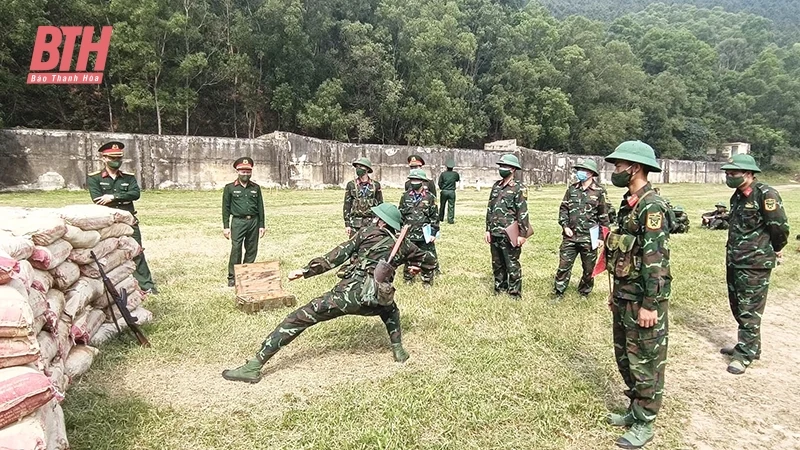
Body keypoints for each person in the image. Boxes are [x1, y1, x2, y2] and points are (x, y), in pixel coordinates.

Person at [221, 203, 436, 384]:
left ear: (380, 221)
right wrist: (415, 267)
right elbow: (430, 261)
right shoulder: (404, 245)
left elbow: (335, 257)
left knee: (298, 318)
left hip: (347, 296)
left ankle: (254, 365)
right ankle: (398, 350)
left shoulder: (366, 233)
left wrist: (305, 272)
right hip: (378, 298)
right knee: (391, 312)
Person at [603, 140, 671, 449]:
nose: (614, 170)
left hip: (643, 299)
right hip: (624, 295)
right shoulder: (627, 202)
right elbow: (622, 254)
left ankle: (645, 421)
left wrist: (650, 305)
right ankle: (635, 408)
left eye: (619, 165)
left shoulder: (651, 206)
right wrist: (616, 293)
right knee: (625, 355)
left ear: (636, 167)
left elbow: (655, 260)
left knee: (645, 360)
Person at [718, 154, 789, 375]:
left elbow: (779, 226)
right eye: (727, 173)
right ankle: (750, 345)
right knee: (738, 306)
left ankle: (745, 354)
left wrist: (776, 248)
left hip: (755, 263)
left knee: (750, 310)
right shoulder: (737, 197)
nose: (729, 177)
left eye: (734, 173)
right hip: (736, 260)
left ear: (749, 173)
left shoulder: (766, 194)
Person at [87, 141, 158, 294]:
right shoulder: (94, 178)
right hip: (107, 222)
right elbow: (97, 198)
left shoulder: (129, 177)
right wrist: (123, 198)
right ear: (104, 158)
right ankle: (114, 286)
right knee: (107, 253)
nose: (116, 161)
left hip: (128, 220)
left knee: (136, 251)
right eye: (112, 158)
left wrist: (113, 197)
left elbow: (135, 194)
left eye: (119, 158)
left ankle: (147, 285)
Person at [552, 159, 610, 298]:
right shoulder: (572, 189)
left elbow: (604, 216)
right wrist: (565, 226)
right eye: (579, 170)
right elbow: (564, 209)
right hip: (570, 236)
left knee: (588, 269)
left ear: (590, 173)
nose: (579, 173)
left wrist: (602, 237)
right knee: (564, 266)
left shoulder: (599, 192)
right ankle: (559, 292)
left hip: (590, 237)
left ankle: (584, 292)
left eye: (583, 170)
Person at [485, 154, 531, 299]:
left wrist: (522, 234)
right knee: (497, 263)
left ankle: (514, 292)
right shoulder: (496, 186)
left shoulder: (519, 188)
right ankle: (499, 288)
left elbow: (522, 212)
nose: (501, 169)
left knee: (512, 264)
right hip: (495, 232)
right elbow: (490, 208)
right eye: (500, 166)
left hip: (510, 233)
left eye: (504, 166)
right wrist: (487, 229)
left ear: (512, 169)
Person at [222, 157, 265, 287]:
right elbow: (225, 208)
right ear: (237, 171)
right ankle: (232, 277)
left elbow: (260, 207)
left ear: (250, 172)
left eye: (247, 172)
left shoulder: (256, 188)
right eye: (242, 171)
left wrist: (262, 225)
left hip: (253, 221)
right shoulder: (229, 188)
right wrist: (225, 226)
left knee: (252, 249)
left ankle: (247, 274)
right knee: (236, 249)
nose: (245, 174)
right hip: (238, 222)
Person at [399, 169, 439, 286]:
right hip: (409, 234)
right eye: (412, 180)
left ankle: (427, 280)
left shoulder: (429, 197)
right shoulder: (405, 197)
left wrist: (433, 233)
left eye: (416, 180)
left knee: (426, 257)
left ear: (422, 181)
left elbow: (434, 217)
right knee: (408, 257)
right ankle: (408, 279)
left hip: (424, 234)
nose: (414, 182)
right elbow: (400, 214)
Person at [343, 157, 383, 237]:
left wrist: (379, 221)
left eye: (361, 166)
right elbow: (347, 205)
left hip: (371, 223)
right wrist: (347, 224)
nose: (358, 169)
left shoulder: (376, 185)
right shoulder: (351, 185)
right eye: (357, 167)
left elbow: (380, 204)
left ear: (367, 169)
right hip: (355, 223)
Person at [438, 159, 460, 224]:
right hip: (452, 191)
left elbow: (439, 183)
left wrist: (442, 188)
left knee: (442, 205)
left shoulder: (443, 174)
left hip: (444, 191)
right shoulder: (455, 174)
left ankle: (440, 218)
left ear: (446, 167)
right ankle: (450, 220)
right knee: (451, 206)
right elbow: (457, 180)